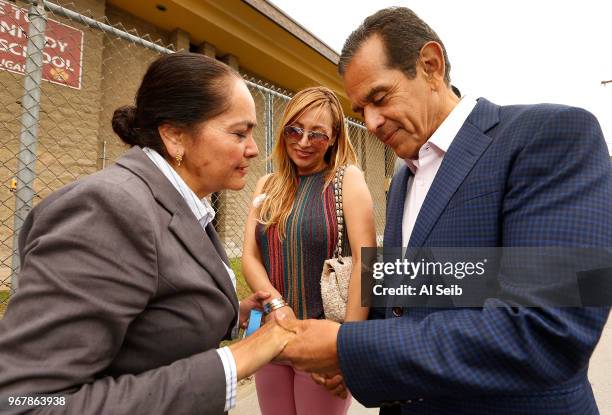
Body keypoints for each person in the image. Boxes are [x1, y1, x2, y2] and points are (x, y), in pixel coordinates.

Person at [274, 7, 612, 415]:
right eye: (361, 110)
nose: (374, 122)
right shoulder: (402, 179)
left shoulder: (550, 136)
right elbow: (419, 293)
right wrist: (348, 354)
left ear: (430, 65)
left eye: (379, 98)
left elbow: (547, 329)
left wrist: (349, 348)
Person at [0, 53, 294, 414]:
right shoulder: (109, 209)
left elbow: (156, 304)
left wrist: (231, 313)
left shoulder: (182, 203)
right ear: (174, 135)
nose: (253, 149)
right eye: (238, 133)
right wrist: (235, 361)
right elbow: (25, 403)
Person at [242, 86, 376, 414]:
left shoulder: (347, 180)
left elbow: (366, 262)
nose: (303, 142)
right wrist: (277, 304)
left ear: (333, 138)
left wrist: (349, 348)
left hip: (322, 339)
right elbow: (250, 256)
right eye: (295, 130)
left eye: (317, 134)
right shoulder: (266, 186)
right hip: (271, 331)